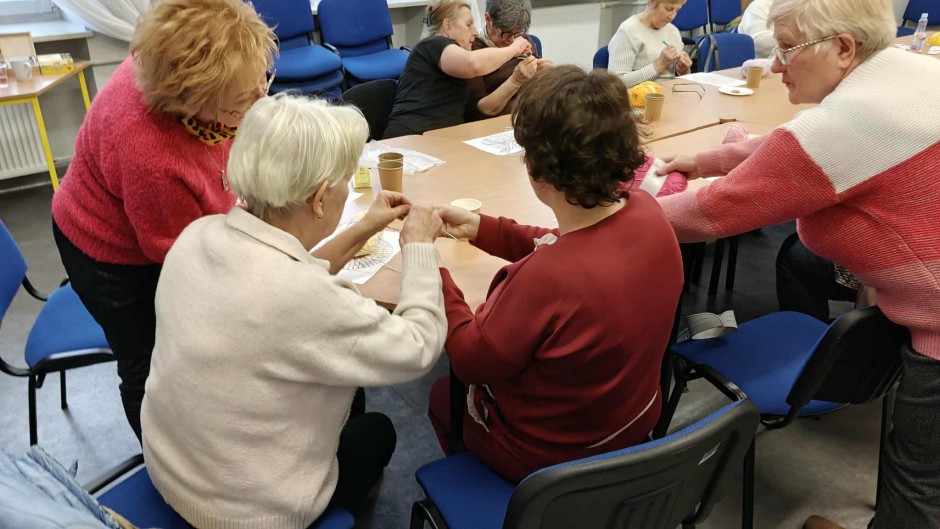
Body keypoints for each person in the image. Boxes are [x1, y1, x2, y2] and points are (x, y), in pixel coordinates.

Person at [653, 0, 940, 527]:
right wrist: (708, 160)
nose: (775, 63)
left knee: (921, 482)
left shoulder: (850, 122)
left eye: (787, 49)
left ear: (843, 48)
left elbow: (712, 212)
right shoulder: (907, 70)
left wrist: (605, 221)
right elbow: (795, 147)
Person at [140, 94, 448, 528]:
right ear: (320, 198)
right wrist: (418, 247)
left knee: (348, 394)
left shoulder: (198, 235)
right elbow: (420, 346)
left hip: (170, 469)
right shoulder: (306, 298)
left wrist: (365, 227)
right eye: (346, 180)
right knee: (376, 430)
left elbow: (287, 273)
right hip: (244, 515)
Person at [427, 66, 684, 482]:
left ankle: (506, 501)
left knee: (444, 395)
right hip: (633, 421)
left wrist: (429, 266)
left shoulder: (546, 278)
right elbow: (565, 244)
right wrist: (482, 228)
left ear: (538, 172)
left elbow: (470, 360)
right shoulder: (647, 211)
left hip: (556, 460)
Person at [50, 0, 276, 442]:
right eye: (242, 100)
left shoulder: (177, 65)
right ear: (194, 100)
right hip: (106, 253)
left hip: (149, 210)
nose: (260, 100)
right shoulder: (151, 153)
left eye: (262, 81)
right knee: (148, 363)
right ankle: (167, 462)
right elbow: (179, 257)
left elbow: (220, 157)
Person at [383, 0, 537, 138]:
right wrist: (514, 49)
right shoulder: (432, 44)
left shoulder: (459, 56)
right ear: (447, 26)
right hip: (409, 138)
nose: (475, 32)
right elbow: (472, 65)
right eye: (468, 24)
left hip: (440, 139)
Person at [467, 0, 552, 119]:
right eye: (505, 33)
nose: (512, 40)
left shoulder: (521, 39)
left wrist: (546, 74)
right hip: (499, 122)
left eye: (517, 33)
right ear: (488, 19)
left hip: (532, 115)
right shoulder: (472, 50)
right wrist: (515, 81)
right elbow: (482, 109)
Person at [608, 0, 693, 87]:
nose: (672, 16)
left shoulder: (673, 31)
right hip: (643, 94)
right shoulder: (628, 31)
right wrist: (657, 68)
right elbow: (615, 83)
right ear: (652, 2)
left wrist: (684, 71)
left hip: (672, 90)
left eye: (676, 10)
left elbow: (679, 79)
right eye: (668, 9)